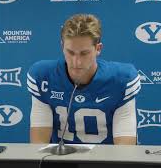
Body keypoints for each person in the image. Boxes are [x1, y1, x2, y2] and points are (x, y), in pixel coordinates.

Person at [27, 14, 140, 145]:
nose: (76, 61)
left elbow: (124, 151)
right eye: (70, 52)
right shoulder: (43, 76)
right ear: (62, 46)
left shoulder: (121, 79)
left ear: (98, 49)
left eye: (84, 53)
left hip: (108, 161)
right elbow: (38, 145)